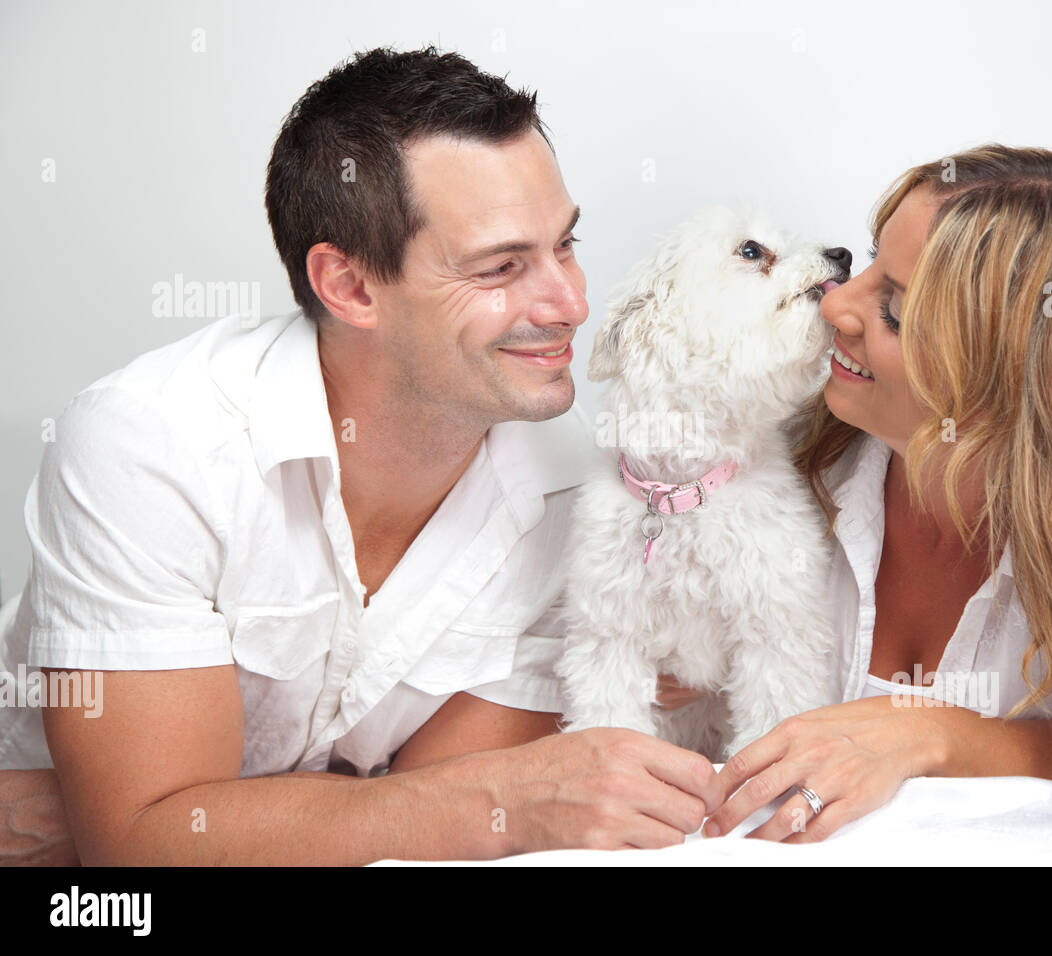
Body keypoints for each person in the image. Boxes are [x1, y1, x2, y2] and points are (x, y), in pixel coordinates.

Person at [0, 46, 723, 865]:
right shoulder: (152, 445)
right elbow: (148, 860)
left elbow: (413, 835)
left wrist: (155, 820)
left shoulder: (577, 488)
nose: (571, 303)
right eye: (501, 267)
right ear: (348, 287)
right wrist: (485, 799)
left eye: (566, 244)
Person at [703, 145, 1052, 841]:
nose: (837, 304)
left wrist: (935, 734)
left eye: (894, 309)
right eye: (868, 264)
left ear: (1024, 386)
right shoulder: (769, 454)